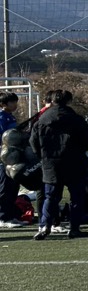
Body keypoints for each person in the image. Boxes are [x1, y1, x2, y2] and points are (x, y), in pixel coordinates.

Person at [30, 89, 88, 240]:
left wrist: (43, 156)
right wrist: (78, 151)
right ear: (69, 101)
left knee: (50, 196)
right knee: (77, 197)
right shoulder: (76, 119)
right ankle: (74, 228)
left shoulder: (42, 119)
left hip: (50, 163)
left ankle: (45, 225)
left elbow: (33, 142)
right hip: (74, 162)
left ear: (52, 101)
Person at [0, 92, 24, 227]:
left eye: (15, 102)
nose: (15, 105)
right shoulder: (1, 117)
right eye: (12, 102)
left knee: (13, 186)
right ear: (3, 104)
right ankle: (2, 217)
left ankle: (10, 215)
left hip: (13, 157)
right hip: (4, 158)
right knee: (5, 186)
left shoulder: (10, 116)